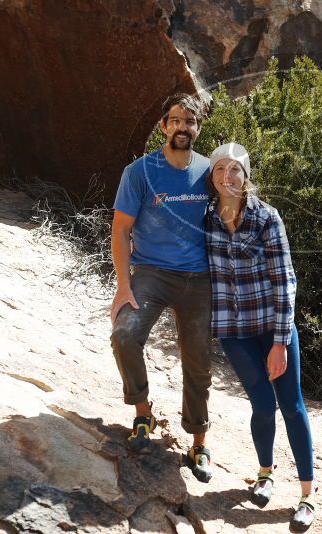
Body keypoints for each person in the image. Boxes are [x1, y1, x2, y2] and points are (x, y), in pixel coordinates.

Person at [204, 143, 316, 532]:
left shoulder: (267, 218)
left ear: (246, 176)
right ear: (212, 177)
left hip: (272, 327)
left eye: (235, 170)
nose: (227, 177)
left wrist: (280, 342)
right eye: (220, 170)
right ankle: (265, 475)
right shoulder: (206, 220)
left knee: (292, 406)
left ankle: (306, 496)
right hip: (234, 332)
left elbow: (286, 281)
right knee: (261, 406)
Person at [110, 93, 214, 482]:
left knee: (198, 363)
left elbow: (232, 216)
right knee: (124, 335)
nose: (181, 127)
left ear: (198, 128)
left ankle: (198, 442)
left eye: (189, 121)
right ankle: (142, 414)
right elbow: (120, 230)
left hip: (199, 278)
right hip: (152, 272)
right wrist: (123, 286)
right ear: (163, 126)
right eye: (175, 120)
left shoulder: (209, 172)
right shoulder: (139, 172)